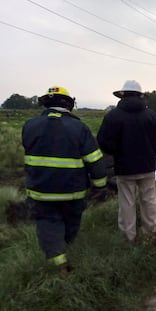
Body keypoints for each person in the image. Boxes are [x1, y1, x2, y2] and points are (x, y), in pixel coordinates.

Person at [22, 86, 107, 273]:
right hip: (72, 193)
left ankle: (57, 259)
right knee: (70, 224)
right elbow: (95, 161)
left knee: (48, 224)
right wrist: (100, 186)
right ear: (69, 104)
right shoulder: (79, 128)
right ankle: (62, 263)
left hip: (40, 192)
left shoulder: (29, 125)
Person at [97, 80, 156, 242]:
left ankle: (128, 236)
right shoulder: (151, 115)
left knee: (126, 202)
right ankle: (151, 233)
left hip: (124, 167)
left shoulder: (113, 116)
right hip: (148, 167)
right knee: (149, 200)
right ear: (140, 96)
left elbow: (103, 141)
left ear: (122, 95)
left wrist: (115, 153)